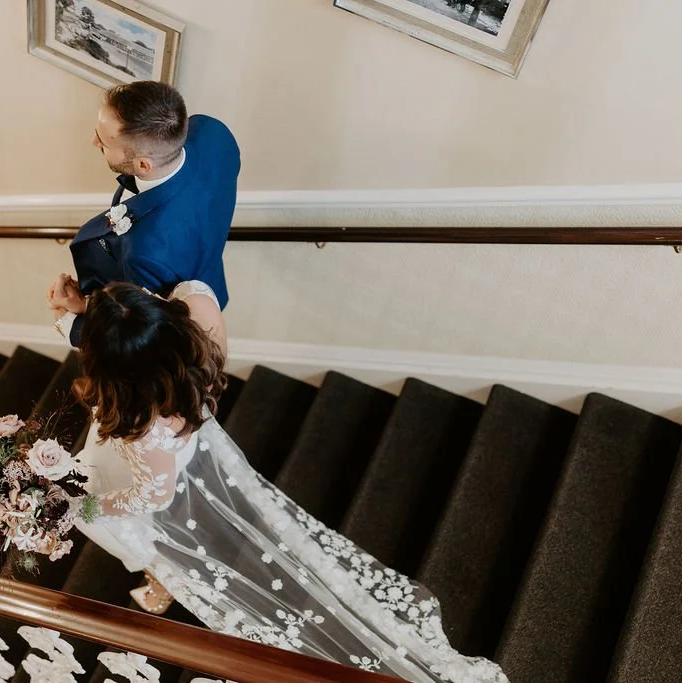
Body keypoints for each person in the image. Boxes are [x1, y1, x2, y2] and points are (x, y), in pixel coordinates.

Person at [59, 279, 508, 683]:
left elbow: (154, 493)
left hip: (160, 478)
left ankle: (160, 585)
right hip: (193, 449)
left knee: (158, 544)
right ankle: (159, 584)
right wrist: (92, 310)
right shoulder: (191, 326)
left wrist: (86, 507)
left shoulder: (142, 426)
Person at [48, 80, 240, 347]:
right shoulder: (213, 133)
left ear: (143, 165)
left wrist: (77, 315)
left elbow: (141, 327)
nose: (94, 142)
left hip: (176, 321)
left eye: (103, 142)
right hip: (209, 277)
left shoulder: (143, 252)